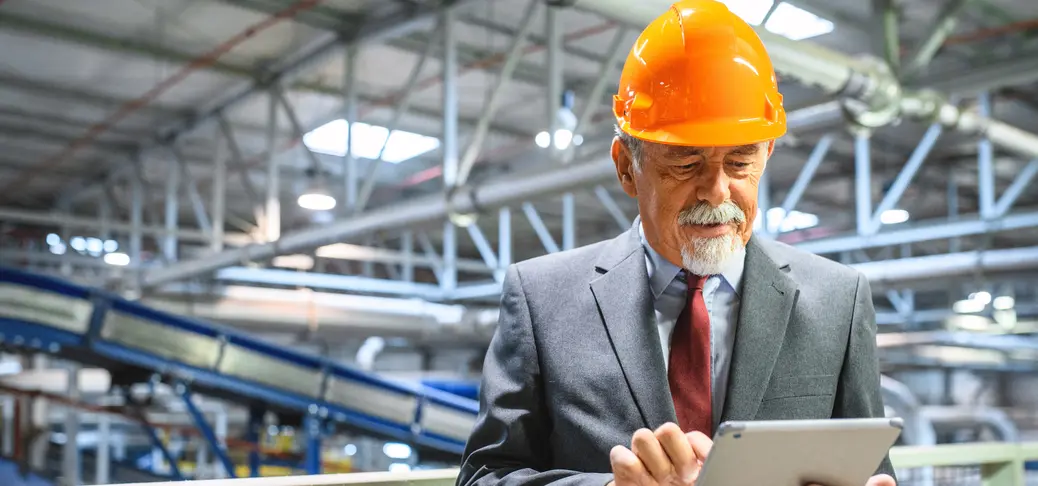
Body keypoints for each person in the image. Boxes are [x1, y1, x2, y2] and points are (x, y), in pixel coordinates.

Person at [456, 1, 896, 485]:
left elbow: (869, 469)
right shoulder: (542, 299)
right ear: (627, 166)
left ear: (767, 154)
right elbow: (483, 477)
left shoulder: (838, 300)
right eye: (685, 164)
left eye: (740, 160)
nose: (717, 190)